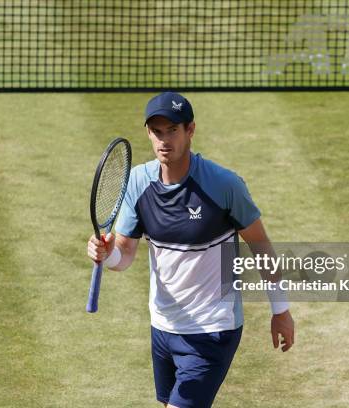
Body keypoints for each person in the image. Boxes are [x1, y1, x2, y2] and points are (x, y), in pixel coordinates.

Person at [87, 91, 294, 408]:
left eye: (172, 130)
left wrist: (281, 311)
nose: (164, 140)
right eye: (157, 132)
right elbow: (125, 254)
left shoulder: (224, 185)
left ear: (190, 131)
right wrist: (107, 254)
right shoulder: (139, 183)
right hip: (163, 327)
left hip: (212, 330)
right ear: (148, 134)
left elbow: (261, 246)